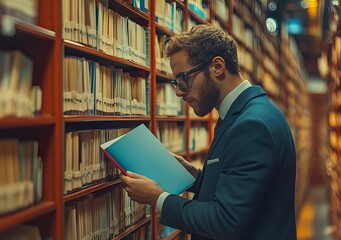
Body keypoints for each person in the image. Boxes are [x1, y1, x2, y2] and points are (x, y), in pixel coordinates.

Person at [120, 24, 297, 240]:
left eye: (183, 79)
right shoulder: (247, 114)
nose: (178, 91)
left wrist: (158, 198)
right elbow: (241, 188)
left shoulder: (251, 125)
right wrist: (194, 178)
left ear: (217, 67)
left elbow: (225, 221)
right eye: (176, 82)